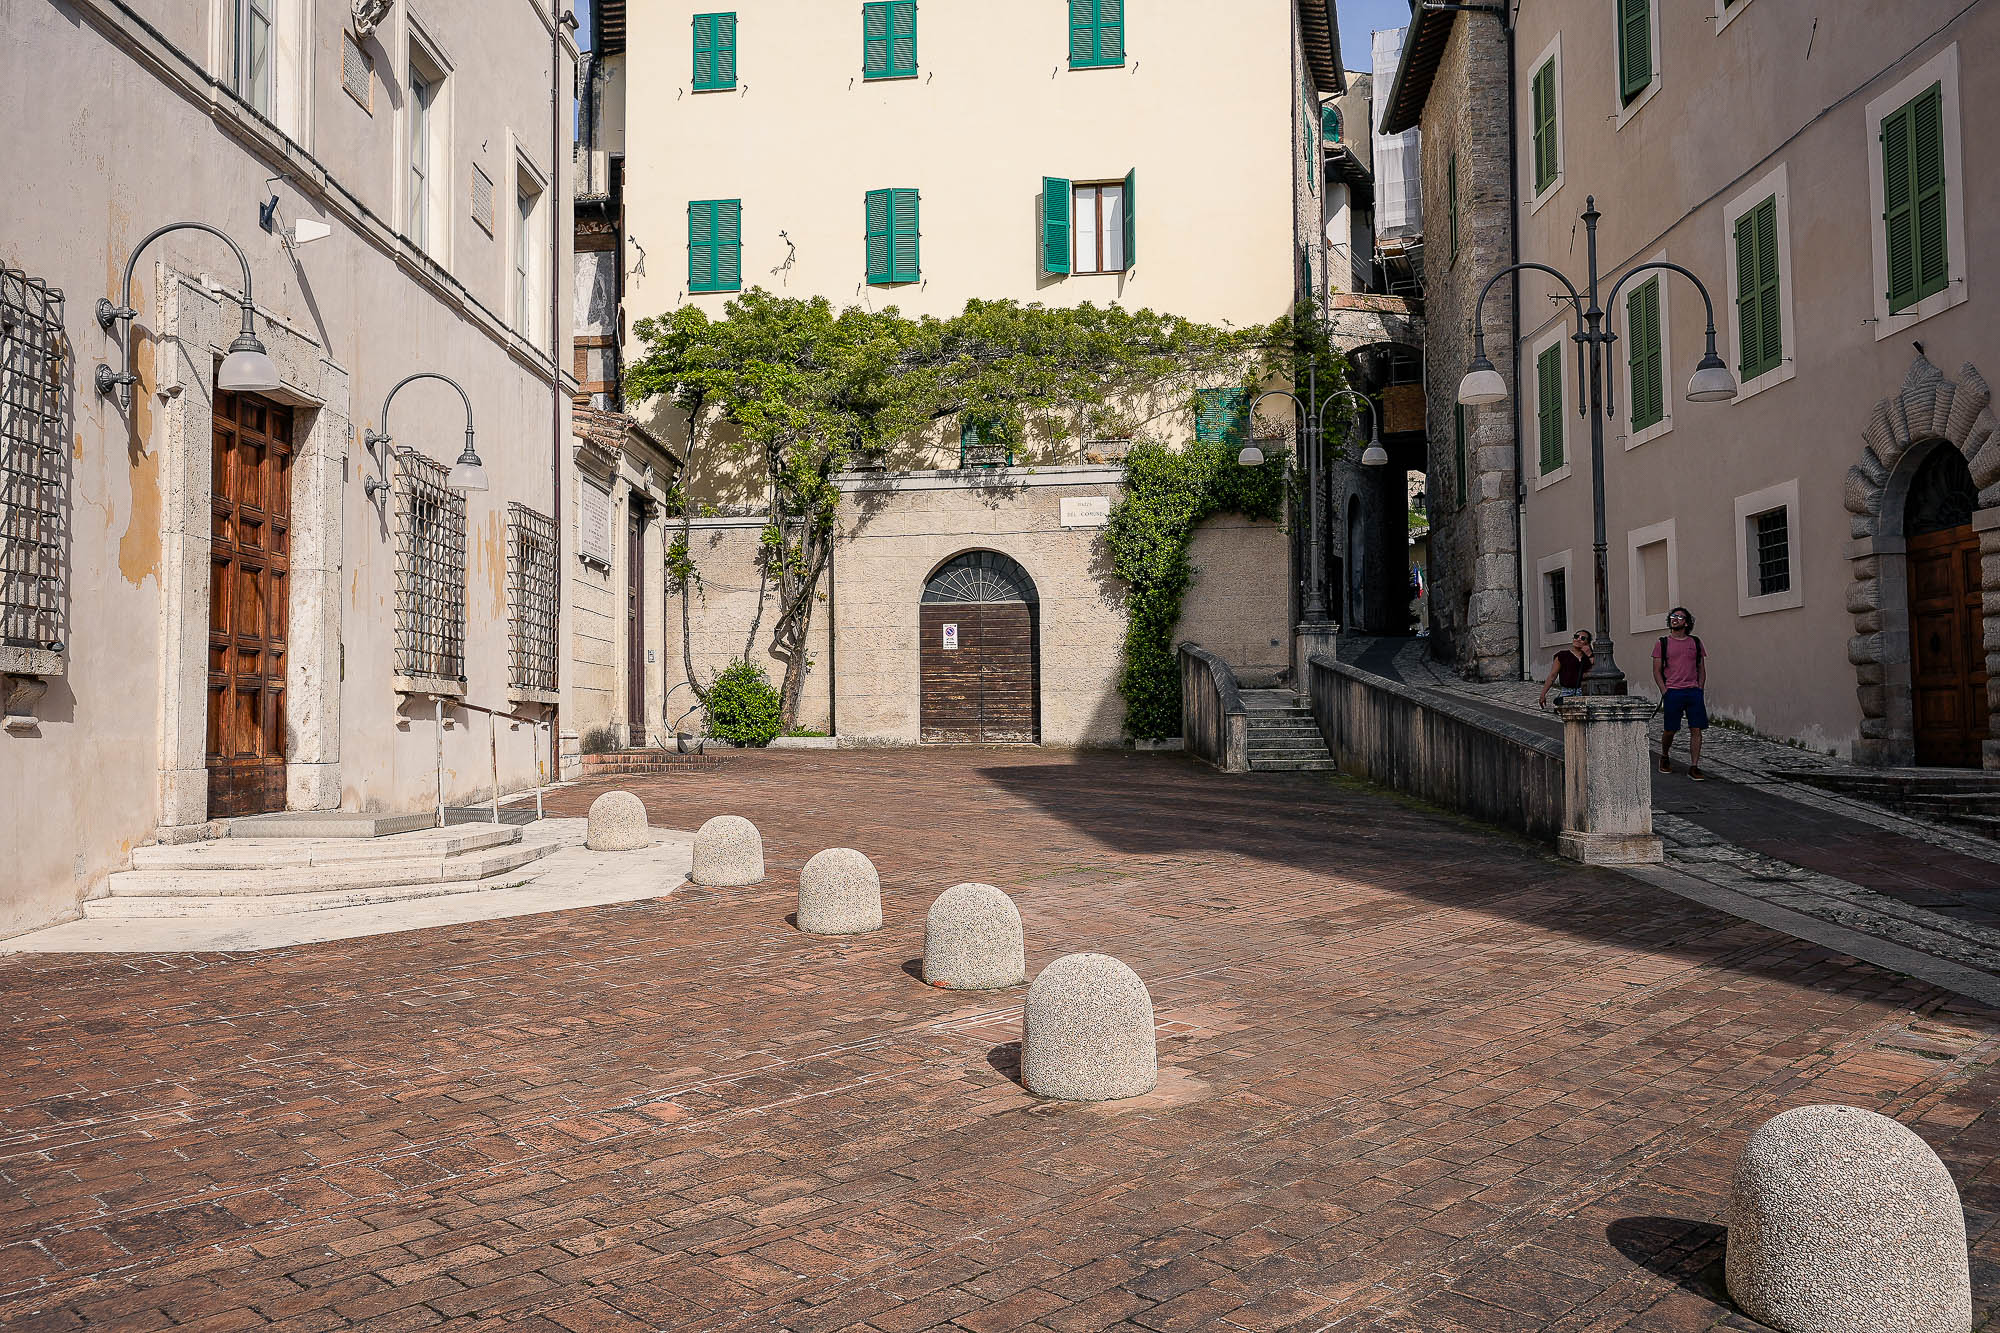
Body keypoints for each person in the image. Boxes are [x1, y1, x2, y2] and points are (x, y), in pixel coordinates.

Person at [1652, 607, 1708, 780]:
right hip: (1673, 692)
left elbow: (1701, 668)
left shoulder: (1695, 642)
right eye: (1672, 616)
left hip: (1693, 692)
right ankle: (1665, 756)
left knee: (1696, 729)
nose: (1674, 619)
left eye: (1679, 617)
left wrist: (1700, 688)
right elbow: (1656, 670)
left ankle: (1694, 766)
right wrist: (1664, 690)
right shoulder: (1662, 643)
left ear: (1686, 622)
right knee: (1670, 729)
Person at [1537, 629, 1594, 709]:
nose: (1578, 639)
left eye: (1583, 638)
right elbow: (1553, 675)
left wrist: (1589, 654)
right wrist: (1543, 694)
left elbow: (1596, 669)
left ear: (1587, 643)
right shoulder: (1562, 655)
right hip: (1567, 692)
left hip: (1584, 692)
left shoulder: (1590, 657)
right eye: (1576, 636)